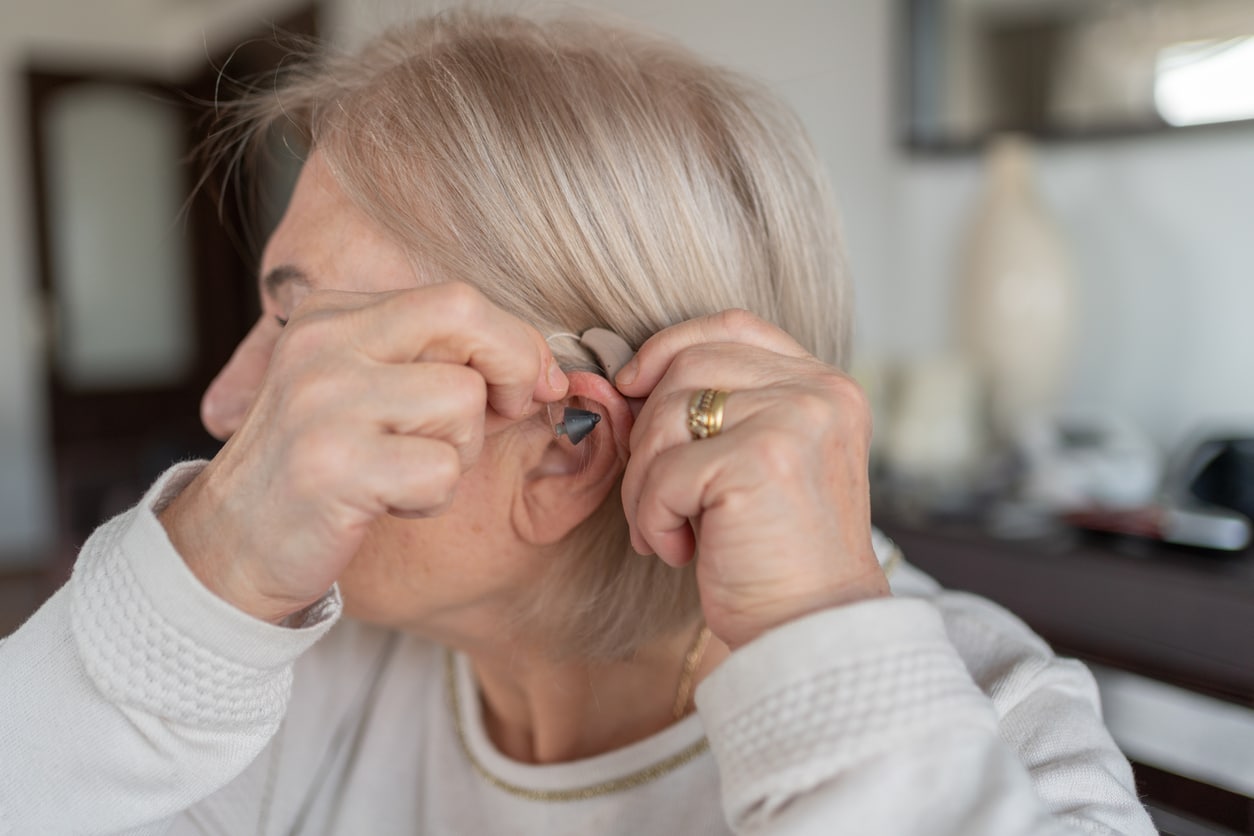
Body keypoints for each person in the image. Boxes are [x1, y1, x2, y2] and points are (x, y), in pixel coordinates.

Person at [0, 11, 1155, 835]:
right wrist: (195, 577)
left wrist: (817, 639)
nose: (226, 404)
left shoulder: (998, 723)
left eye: (314, 342)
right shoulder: (286, 679)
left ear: (571, 440)